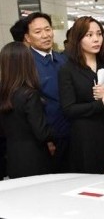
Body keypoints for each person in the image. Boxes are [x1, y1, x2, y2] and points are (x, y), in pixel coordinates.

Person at [58, 16, 104, 173]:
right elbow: (69, 109)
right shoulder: (68, 70)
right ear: (78, 39)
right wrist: (101, 102)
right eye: (89, 35)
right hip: (86, 136)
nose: (96, 39)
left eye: (99, 34)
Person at [0, 42, 55, 178]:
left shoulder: (3, 94)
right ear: (27, 64)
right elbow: (42, 133)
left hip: (12, 157)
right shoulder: (29, 94)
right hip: (35, 158)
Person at [24, 12, 70, 173]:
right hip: (49, 139)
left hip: (72, 132)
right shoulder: (26, 64)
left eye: (48, 29)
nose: (45, 35)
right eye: (38, 32)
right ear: (28, 38)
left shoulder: (63, 59)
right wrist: (46, 140)